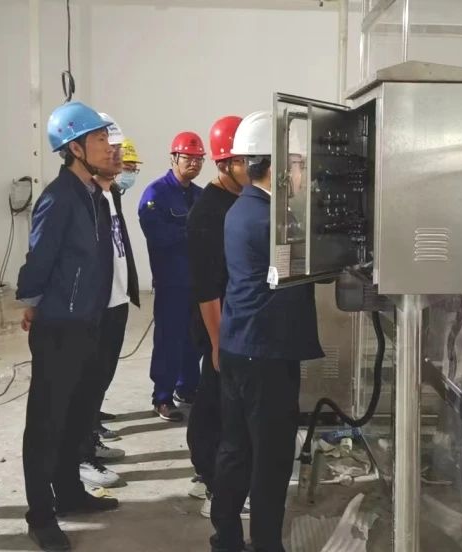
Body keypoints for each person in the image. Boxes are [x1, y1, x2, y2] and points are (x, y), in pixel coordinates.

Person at [210, 111, 324, 552]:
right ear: (274, 167)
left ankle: (225, 536)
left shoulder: (243, 208)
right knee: (271, 458)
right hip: (267, 354)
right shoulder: (272, 221)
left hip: (240, 346)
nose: (301, 174)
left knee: (236, 449)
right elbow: (314, 266)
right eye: (297, 164)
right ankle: (266, 543)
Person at [16, 101, 119, 552]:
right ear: (74, 148)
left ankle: (70, 492)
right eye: (98, 138)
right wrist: (32, 302)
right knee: (47, 423)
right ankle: (40, 515)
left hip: (88, 323)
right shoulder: (58, 198)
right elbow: (39, 258)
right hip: (59, 328)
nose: (108, 145)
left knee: (77, 416)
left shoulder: (93, 196)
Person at [186, 116, 250, 519]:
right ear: (224, 164)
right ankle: (208, 476)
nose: (253, 168)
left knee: (228, 401)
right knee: (214, 400)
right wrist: (217, 342)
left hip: (237, 321)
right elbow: (206, 287)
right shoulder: (207, 212)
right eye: (245, 161)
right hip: (217, 322)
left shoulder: (239, 199)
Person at [77, 113, 141, 490]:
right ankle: (80, 457)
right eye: (108, 146)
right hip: (94, 306)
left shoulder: (110, 193)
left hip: (116, 300)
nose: (117, 154)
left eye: (117, 147)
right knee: (85, 384)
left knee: (100, 379)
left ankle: (90, 439)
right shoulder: (78, 197)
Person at [138, 132, 205, 422]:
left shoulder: (200, 195)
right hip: (171, 281)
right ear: (173, 158)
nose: (194, 163)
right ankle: (162, 397)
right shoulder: (156, 194)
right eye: (188, 158)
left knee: (195, 339)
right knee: (170, 339)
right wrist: (192, 231)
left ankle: (187, 388)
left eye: (199, 159)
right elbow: (157, 235)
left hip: (197, 281)